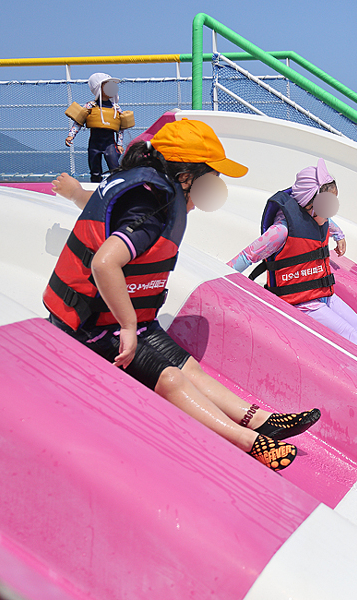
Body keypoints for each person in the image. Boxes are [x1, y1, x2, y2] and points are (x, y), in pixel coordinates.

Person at [46, 119, 319, 471]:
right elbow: (103, 263)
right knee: (171, 377)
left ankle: (258, 418)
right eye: (210, 179)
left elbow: (103, 210)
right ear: (186, 177)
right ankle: (247, 442)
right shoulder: (152, 206)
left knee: (188, 366)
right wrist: (128, 324)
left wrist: (73, 194)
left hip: (120, 319)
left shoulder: (146, 192)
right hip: (88, 327)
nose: (214, 188)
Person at [228, 159, 357, 379]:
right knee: (350, 335)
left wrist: (340, 236)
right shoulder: (281, 230)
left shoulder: (319, 217)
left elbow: (332, 225)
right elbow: (247, 255)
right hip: (302, 302)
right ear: (311, 203)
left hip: (323, 294)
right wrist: (222, 274)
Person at [65, 73, 128, 183]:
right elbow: (78, 122)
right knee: (95, 171)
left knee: (115, 169)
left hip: (110, 144)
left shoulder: (116, 108)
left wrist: (119, 144)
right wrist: (71, 135)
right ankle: (95, 191)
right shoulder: (90, 106)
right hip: (94, 144)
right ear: (99, 88)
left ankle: (118, 190)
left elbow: (120, 127)